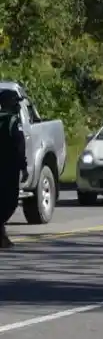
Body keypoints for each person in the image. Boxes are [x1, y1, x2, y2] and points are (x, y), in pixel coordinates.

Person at [0, 89, 27, 249]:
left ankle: (2, 236)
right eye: (15, 101)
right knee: (9, 202)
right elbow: (19, 146)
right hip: (9, 168)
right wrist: (23, 167)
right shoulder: (12, 121)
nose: (18, 105)